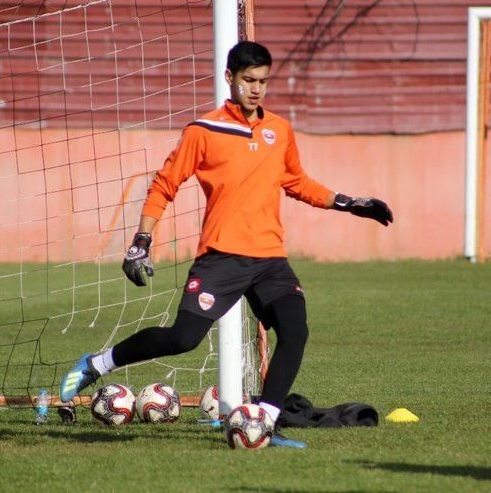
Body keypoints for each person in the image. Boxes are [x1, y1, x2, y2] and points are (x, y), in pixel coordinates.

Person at [60, 41, 392, 448]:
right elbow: (165, 184)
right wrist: (141, 242)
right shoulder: (204, 131)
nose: (256, 89)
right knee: (183, 340)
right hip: (221, 258)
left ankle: (265, 426)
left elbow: (296, 181)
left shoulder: (279, 131)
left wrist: (349, 203)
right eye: (249, 80)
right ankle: (98, 363)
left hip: (270, 259)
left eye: (263, 82)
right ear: (229, 78)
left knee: (296, 330)